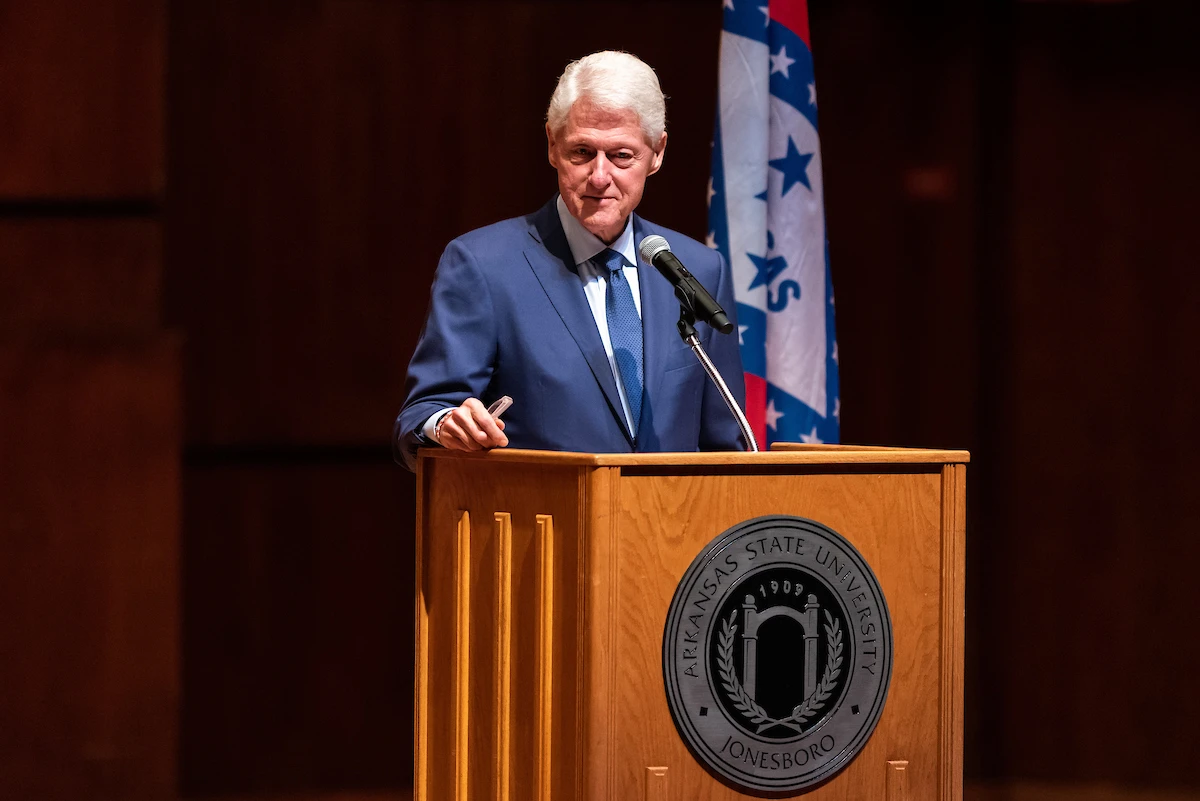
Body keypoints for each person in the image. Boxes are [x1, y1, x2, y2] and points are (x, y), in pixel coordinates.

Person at [393, 51, 745, 470]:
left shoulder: (698, 270)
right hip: (544, 527)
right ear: (552, 146)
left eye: (621, 156)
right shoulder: (483, 266)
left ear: (657, 154)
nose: (599, 176)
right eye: (582, 151)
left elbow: (727, 445)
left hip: (674, 529)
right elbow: (421, 414)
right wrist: (445, 423)